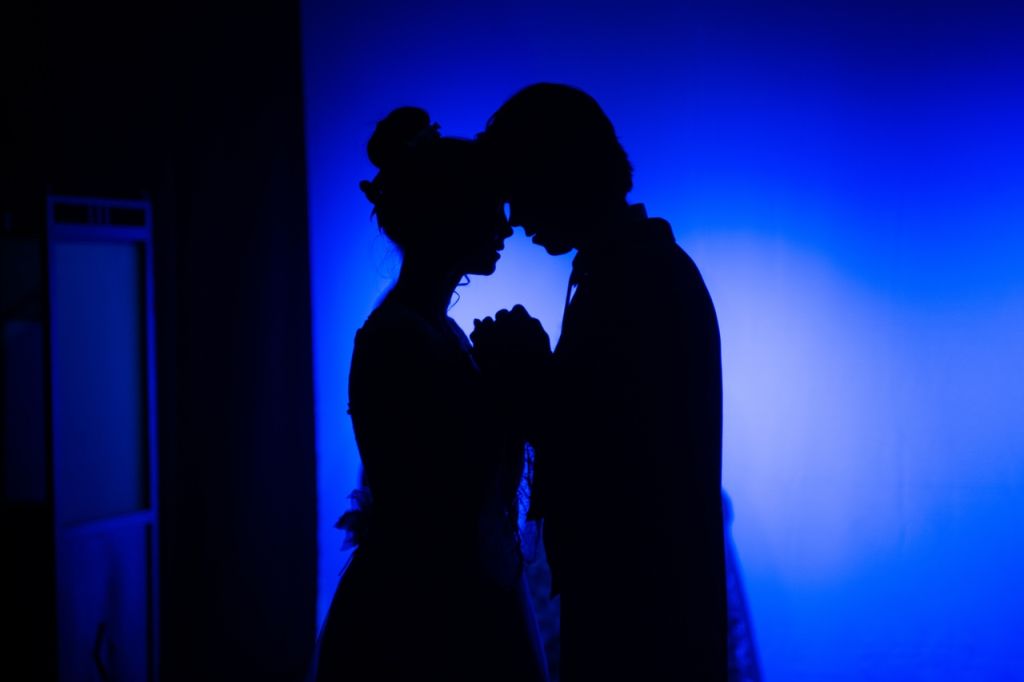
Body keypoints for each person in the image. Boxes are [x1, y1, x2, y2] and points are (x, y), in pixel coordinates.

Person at [473, 83, 728, 680]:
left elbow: (614, 453)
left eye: (521, 188)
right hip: (643, 610)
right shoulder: (638, 270)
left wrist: (531, 379)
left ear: (560, 172)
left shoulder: (638, 279)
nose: (515, 217)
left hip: (642, 622)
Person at [312, 107, 548, 682]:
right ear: (451, 215)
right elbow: (441, 496)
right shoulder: (401, 338)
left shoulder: (432, 329)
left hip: (449, 593)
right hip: (427, 616)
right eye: (491, 208)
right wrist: (517, 391)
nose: (506, 227)